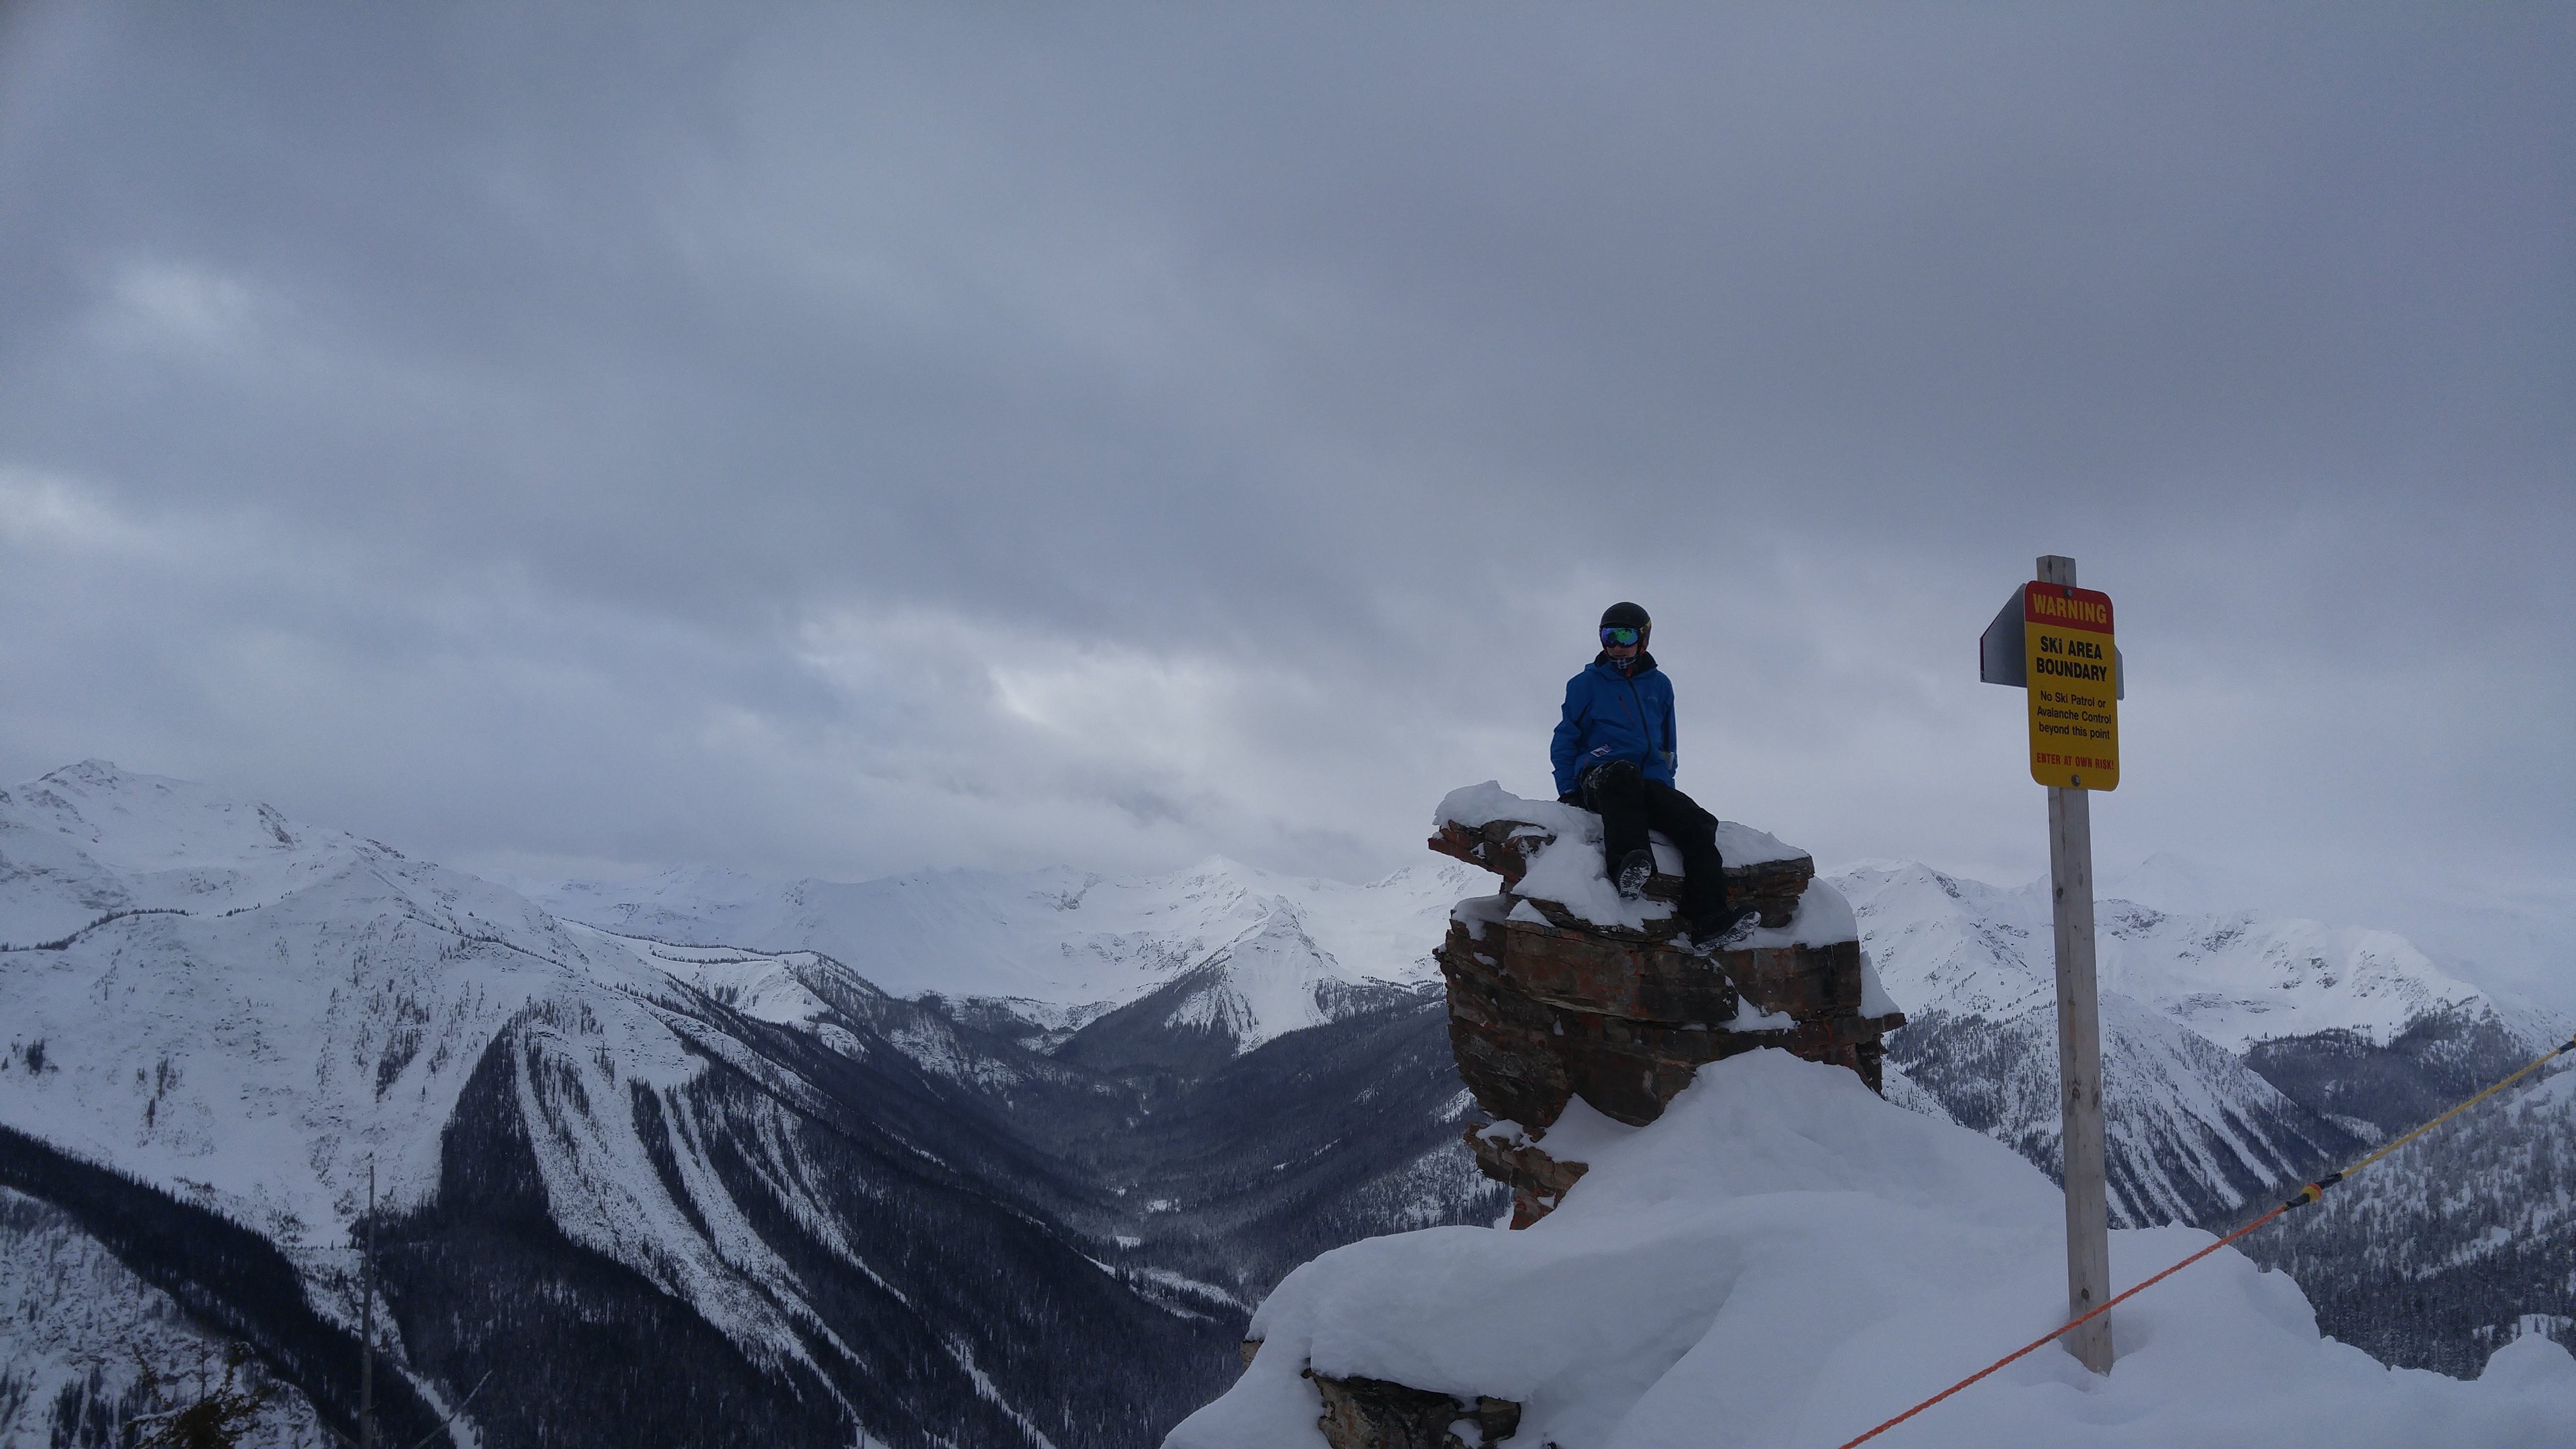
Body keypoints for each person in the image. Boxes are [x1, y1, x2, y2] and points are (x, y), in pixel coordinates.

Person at [1550, 602, 1758, 948]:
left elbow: (1666, 744)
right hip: (1601, 778)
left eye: (1625, 636)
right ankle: (1628, 866)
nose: (1617, 645)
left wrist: (1668, 793)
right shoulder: (1585, 684)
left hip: (1648, 781)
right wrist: (1569, 790)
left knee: (1698, 822)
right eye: (1609, 636)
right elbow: (1565, 738)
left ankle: (1708, 918)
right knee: (1622, 774)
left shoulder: (1660, 685)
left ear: (1644, 638)